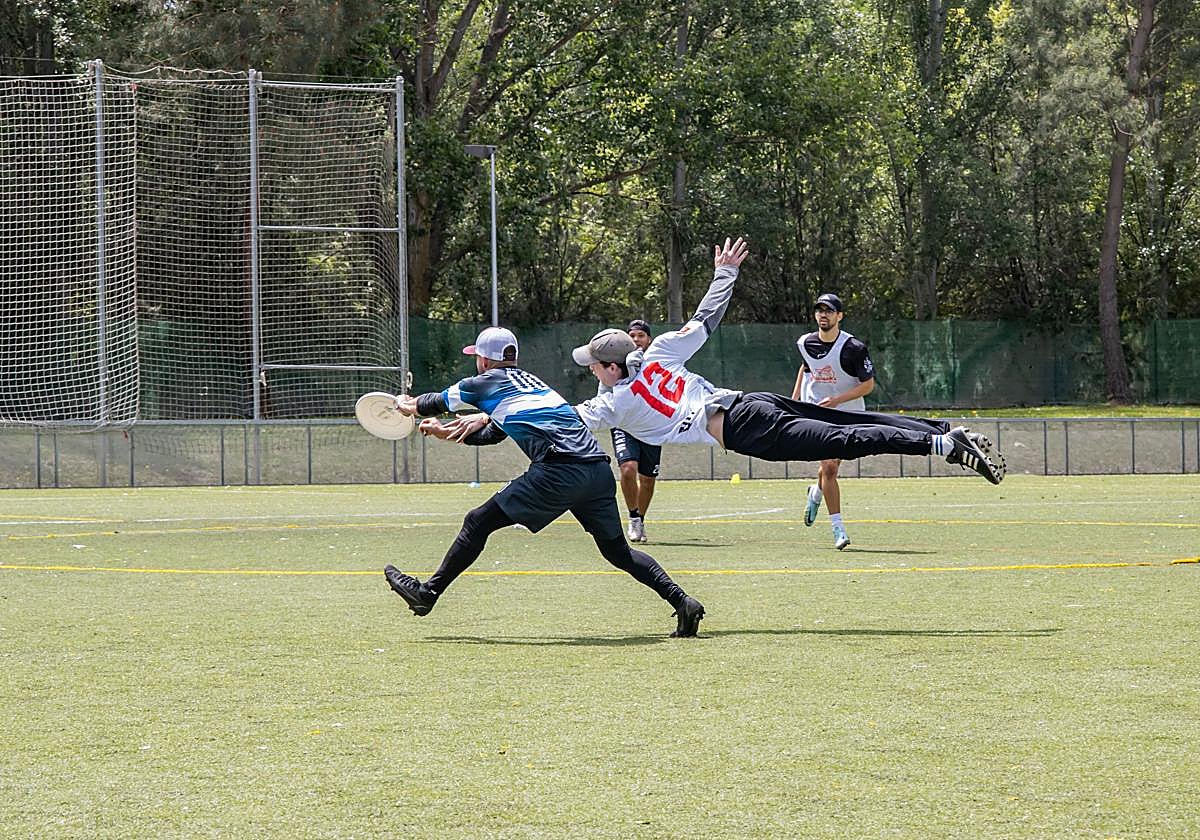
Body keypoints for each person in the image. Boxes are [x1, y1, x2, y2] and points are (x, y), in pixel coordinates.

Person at [565, 237, 1006, 485]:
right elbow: (706, 318)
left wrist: (497, 421)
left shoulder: (613, 404)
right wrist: (725, 273)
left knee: (846, 441)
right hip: (753, 403)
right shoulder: (658, 351)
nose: (591, 371)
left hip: (745, 429)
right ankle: (946, 432)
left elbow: (558, 418)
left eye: (594, 365)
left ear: (612, 367)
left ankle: (945, 445)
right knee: (848, 428)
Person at [382, 325, 705, 637]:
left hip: (559, 471)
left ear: (482, 359)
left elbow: (424, 403)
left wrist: (398, 404)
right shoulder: (532, 383)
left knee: (477, 522)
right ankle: (682, 601)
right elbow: (494, 433)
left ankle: (427, 593)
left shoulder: (481, 382)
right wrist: (445, 433)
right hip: (595, 471)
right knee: (618, 553)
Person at [791, 292, 876, 550]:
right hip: (817, 411)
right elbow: (805, 368)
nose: (823, 314)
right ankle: (838, 528)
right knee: (828, 467)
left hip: (848, 412)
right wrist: (793, 403)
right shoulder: (805, 343)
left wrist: (838, 400)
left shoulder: (854, 348)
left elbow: (868, 385)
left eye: (829, 310)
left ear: (839, 316)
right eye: (819, 310)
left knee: (833, 467)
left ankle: (815, 493)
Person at [575, 319, 662, 543]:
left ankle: (641, 518)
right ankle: (633, 517)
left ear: (649, 339)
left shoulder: (655, 361)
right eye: (631, 335)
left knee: (648, 478)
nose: (636, 339)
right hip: (624, 425)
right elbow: (604, 399)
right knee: (628, 469)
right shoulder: (613, 366)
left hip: (650, 425)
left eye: (640, 335)